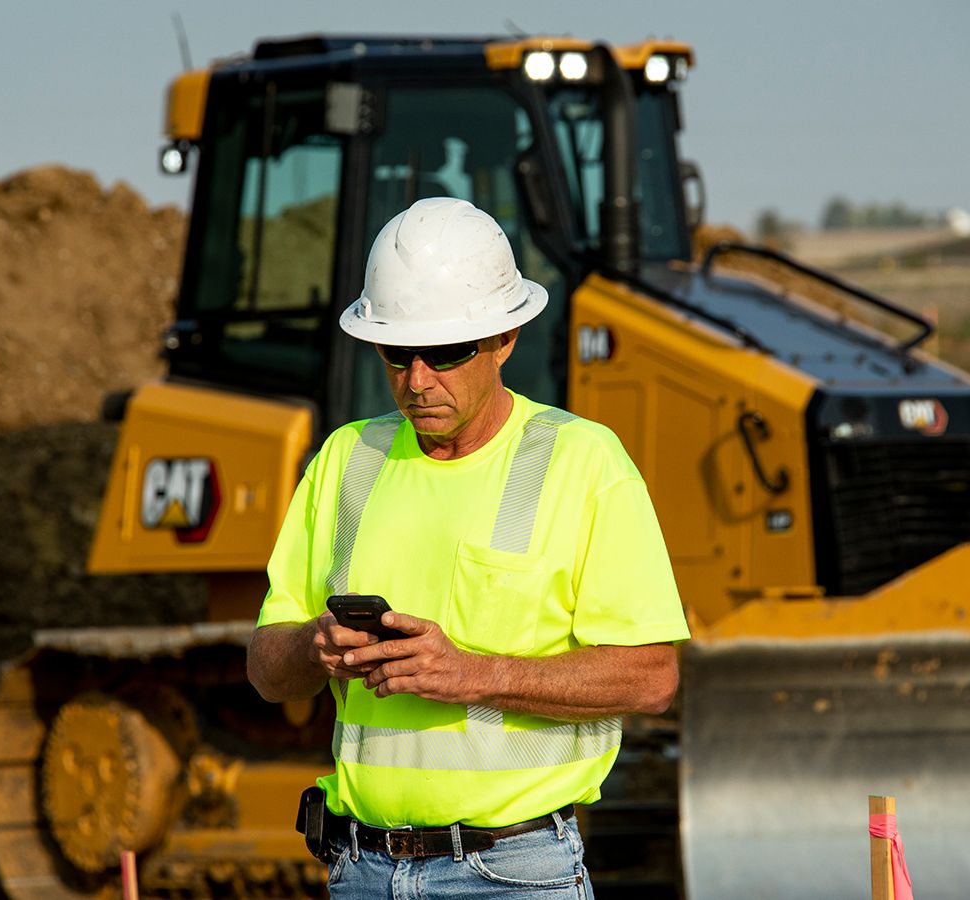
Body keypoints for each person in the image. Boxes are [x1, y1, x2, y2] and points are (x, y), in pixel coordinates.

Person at [247, 197, 689, 898]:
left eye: (446, 353)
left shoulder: (583, 462)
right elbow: (268, 670)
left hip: (513, 872)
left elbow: (652, 677)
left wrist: (475, 675)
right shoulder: (346, 461)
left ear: (506, 338)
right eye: (397, 353)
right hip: (361, 870)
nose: (417, 381)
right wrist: (314, 646)